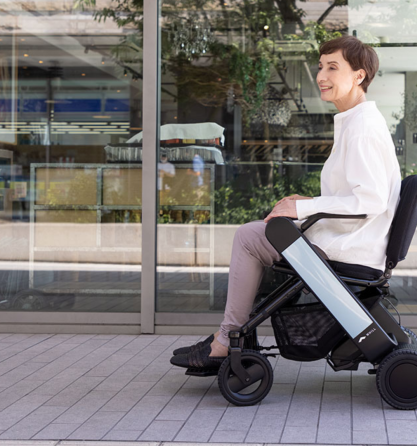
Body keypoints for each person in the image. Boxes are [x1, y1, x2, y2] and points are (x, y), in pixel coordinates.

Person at [171, 36, 401, 370]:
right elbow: (358, 193)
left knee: (250, 238)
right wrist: (307, 201)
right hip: (350, 242)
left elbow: (371, 199)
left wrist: (303, 209)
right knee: (257, 234)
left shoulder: (362, 127)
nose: (321, 75)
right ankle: (232, 336)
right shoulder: (357, 121)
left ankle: (227, 339)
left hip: (350, 248)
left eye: (332, 67)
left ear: (359, 76)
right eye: (320, 66)